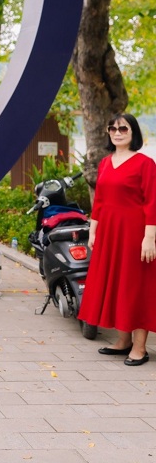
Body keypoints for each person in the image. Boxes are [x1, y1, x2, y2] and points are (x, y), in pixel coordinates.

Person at [78, 113, 156, 367]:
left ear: (133, 132)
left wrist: (149, 238)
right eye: (112, 128)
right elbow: (99, 201)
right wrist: (93, 230)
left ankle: (140, 347)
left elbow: (152, 203)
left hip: (135, 233)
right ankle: (123, 341)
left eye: (123, 127)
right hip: (110, 234)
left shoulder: (145, 164)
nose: (117, 131)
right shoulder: (104, 163)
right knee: (118, 284)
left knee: (136, 286)